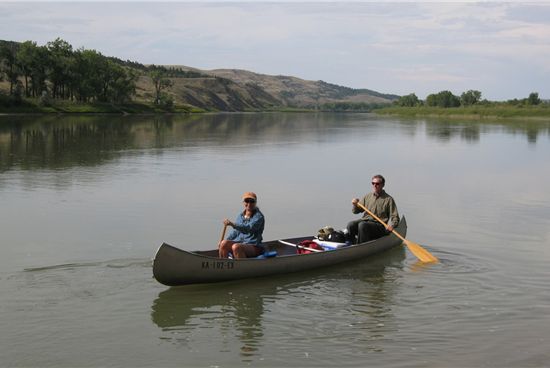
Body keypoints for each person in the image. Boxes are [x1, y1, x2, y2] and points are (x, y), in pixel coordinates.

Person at [347, 174, 399, 244]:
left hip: (379, 226)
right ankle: (351, 244)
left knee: (362, 225)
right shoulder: (367, 196)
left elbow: (395, 217)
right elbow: (355, 211)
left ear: (382, 185)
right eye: (373, 183)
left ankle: (361, 246)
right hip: (365, 221)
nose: (375, 185)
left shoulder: (389, 199)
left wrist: (392, 226)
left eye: (377, 183)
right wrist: (355, 205)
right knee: (351, 225)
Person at [218, 192, 265, 259]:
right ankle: (223, 264)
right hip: (240, 242)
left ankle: (241, 267)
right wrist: (223, 242)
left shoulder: (259, 217)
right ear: (243, 202)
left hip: (254, 246)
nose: (249, 204)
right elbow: (235, 232)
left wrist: (233, 224)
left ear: (255, 203)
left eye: (252, 201)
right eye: (247, 201)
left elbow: (248, 228)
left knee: (236, 247)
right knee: (223, 243)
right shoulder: (240, 216)